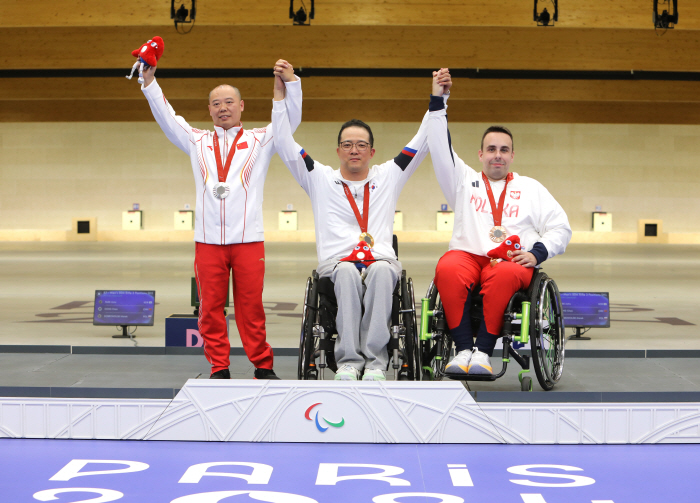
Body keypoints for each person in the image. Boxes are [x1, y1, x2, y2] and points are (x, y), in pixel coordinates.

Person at [271, 70, 447, 381]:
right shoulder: (319, 177)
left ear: (372, 152)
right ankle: (350, 362)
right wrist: (281, 93)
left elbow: (423, 141)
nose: (354, 150)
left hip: (379, 259)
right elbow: (283, 142)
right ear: (338, 150)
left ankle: (375, 364)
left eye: (361, 145)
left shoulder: (389, 175)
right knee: (348, 272)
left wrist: (438, 99)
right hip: (337, 264)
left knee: (380, 270)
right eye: (348, 144)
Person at [140, 59, 303, 380]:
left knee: (251, 309)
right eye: (216, 104)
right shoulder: (196, 140)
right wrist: (149, 82)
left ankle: (262, 364)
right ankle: (219, 366)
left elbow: (288, 122)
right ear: (209, 110)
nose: (223, 108)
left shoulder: (260, 139)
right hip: (208, 242)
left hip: (248, 240)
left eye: (229, 102)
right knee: (210, 310)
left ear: (241, 106)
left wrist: (288, 86)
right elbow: (168, 117)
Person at [427, 68, 572, 376]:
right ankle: (464, 349)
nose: (497, 155)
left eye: (504, 150)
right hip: (468, 256)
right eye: (491, 149)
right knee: (446, 267)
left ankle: (483, 352)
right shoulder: (462, 180)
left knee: (505, 273)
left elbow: (561, 226)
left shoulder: (530, 187)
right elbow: (439, 145)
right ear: (480, 154)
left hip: (509, 261)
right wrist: (440, 99)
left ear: (512, 156)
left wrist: (537, 253)